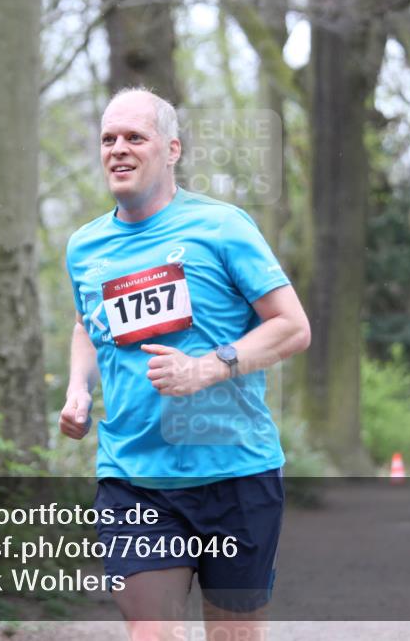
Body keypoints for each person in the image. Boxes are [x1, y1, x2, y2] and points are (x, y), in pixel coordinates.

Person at [60, 88, 311, 640]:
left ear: (172, 149)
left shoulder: (222, 227)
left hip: (235, 472)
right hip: (134, 478)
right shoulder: (85, 246)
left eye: (135, 137)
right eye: (108, 139)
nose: (118, 149)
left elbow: (292, 326)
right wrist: (79, 388)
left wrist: (207, 368)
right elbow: (86, 325)